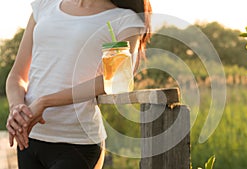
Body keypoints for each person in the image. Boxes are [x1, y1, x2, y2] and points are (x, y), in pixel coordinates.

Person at [5, 0, 152, 168]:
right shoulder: (44, 5)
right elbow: (17, 75)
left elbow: (119, 78)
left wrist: (45, 102)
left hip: (77, 143)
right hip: (29, 138)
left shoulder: (124, 19)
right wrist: (17, 108)